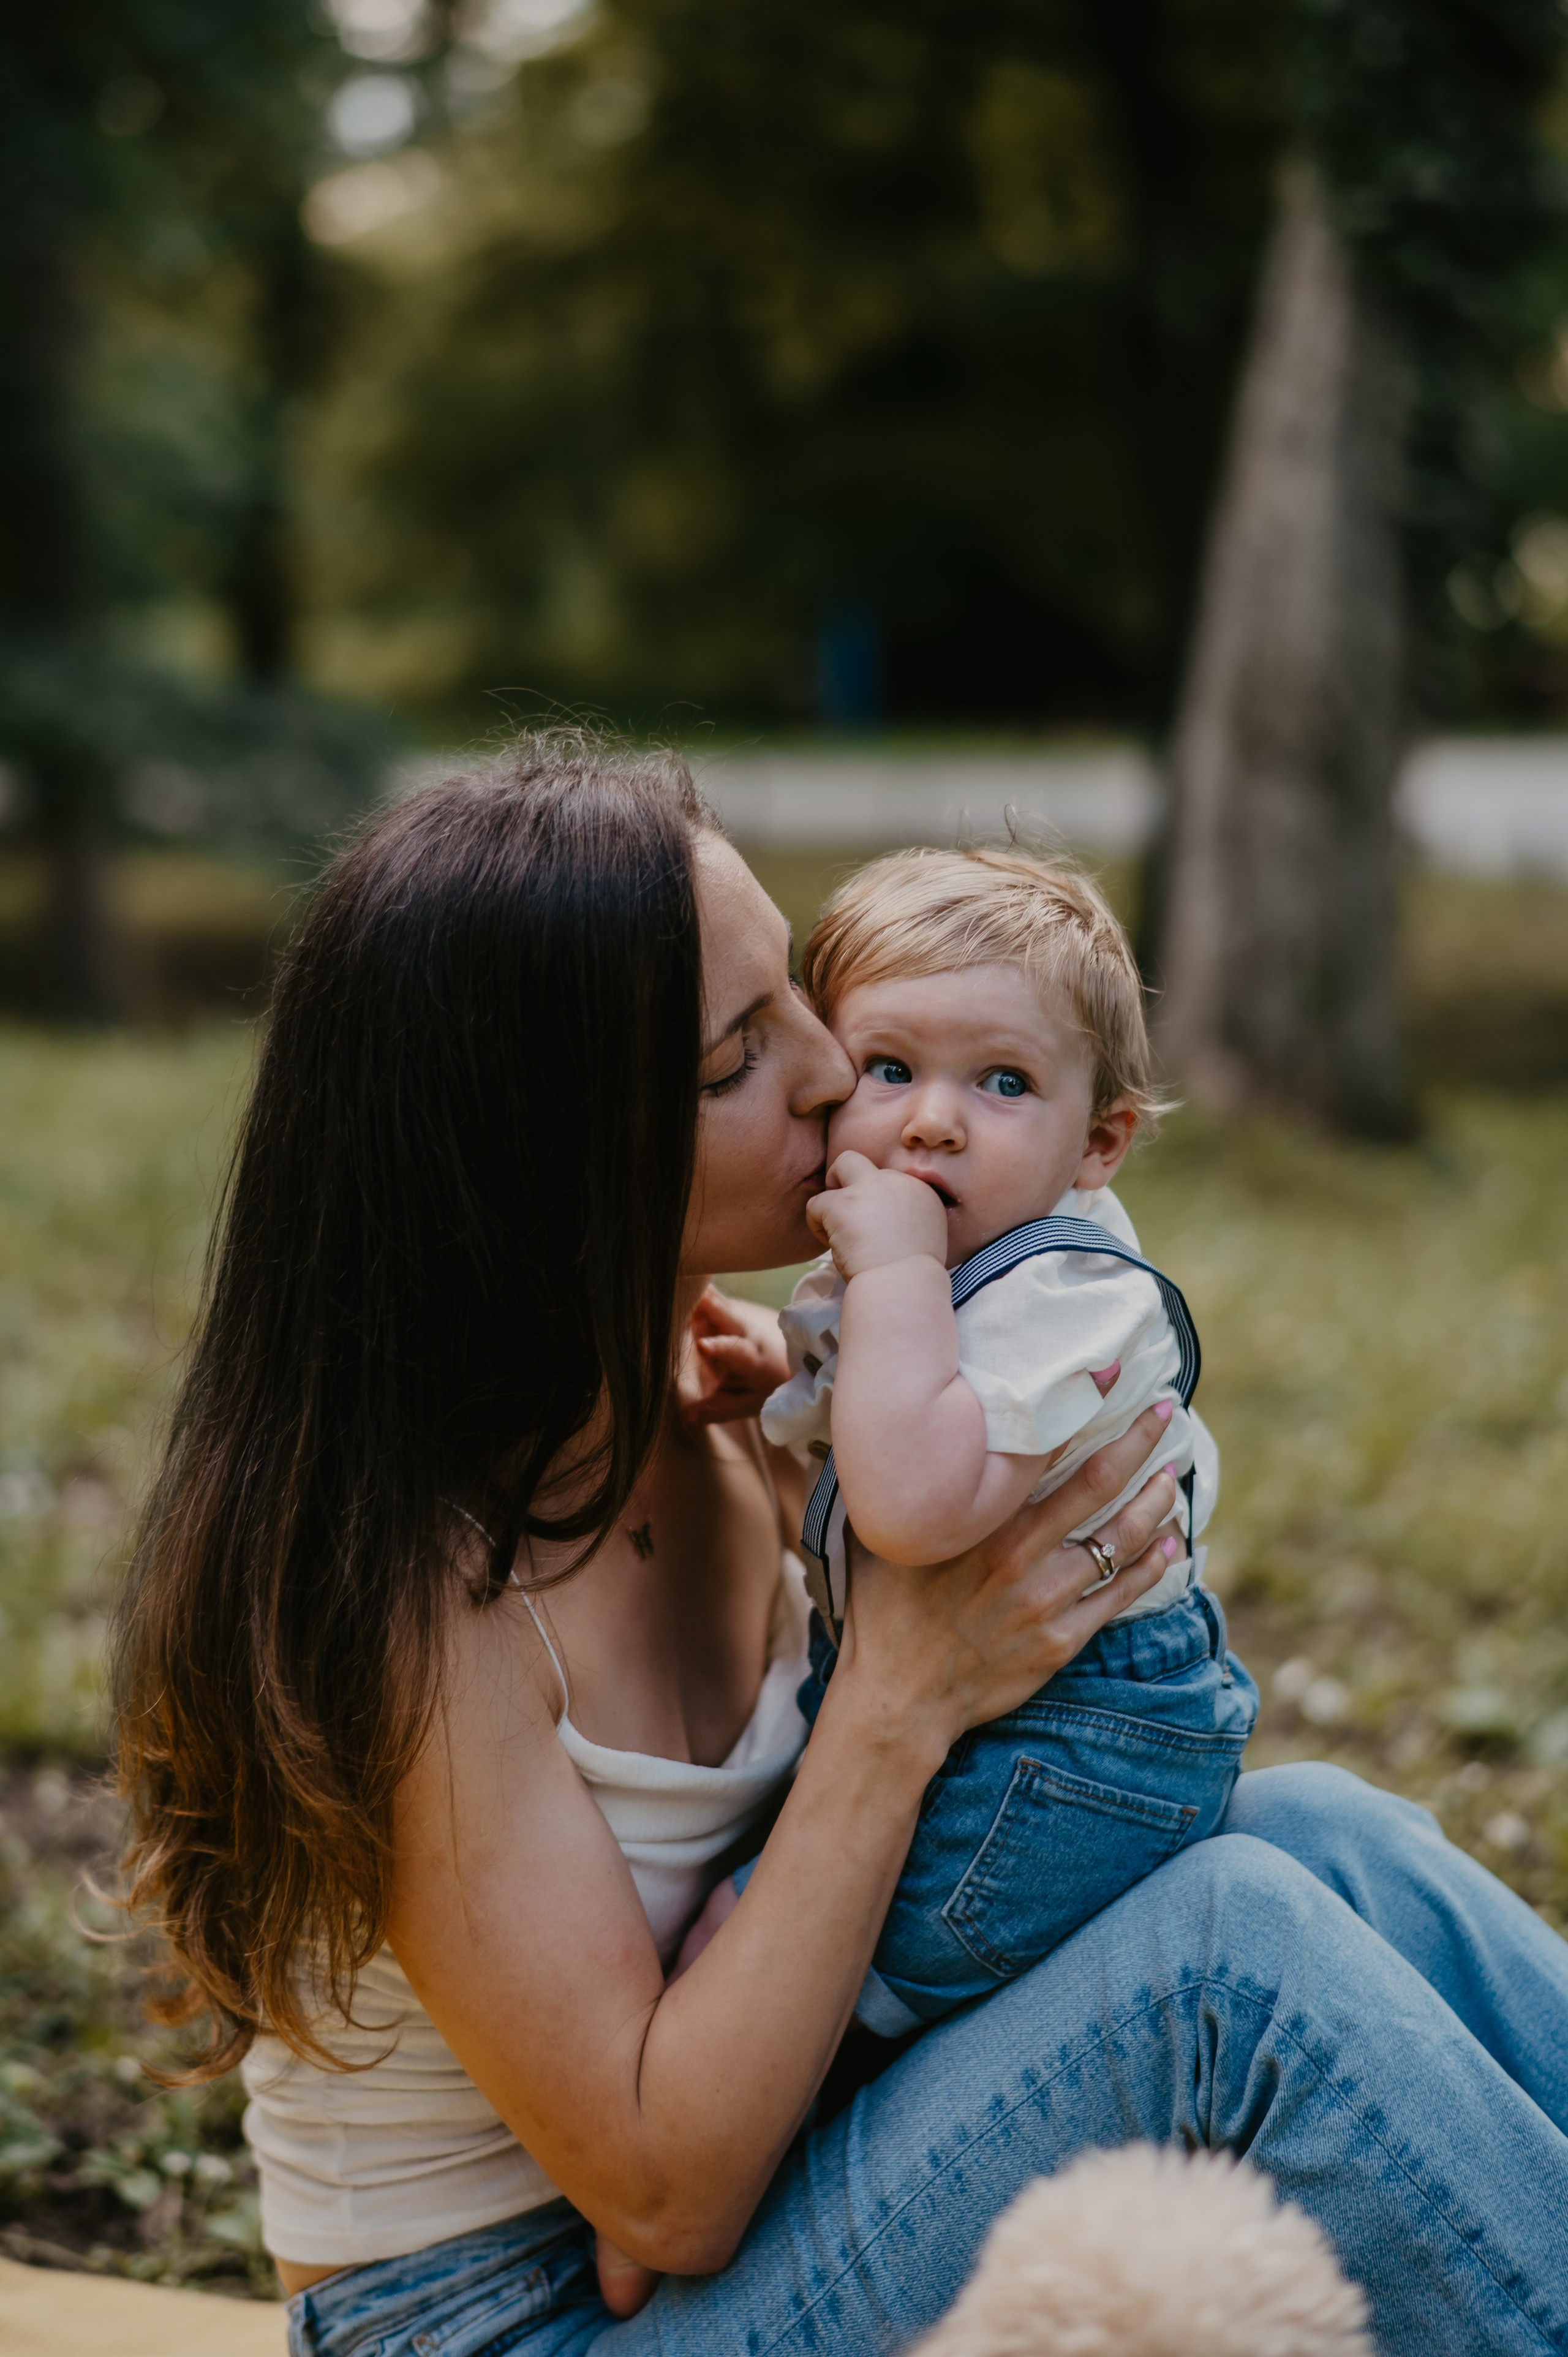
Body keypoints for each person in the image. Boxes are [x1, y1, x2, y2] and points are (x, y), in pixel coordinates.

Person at [111, 739, 1568, 2357]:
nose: (830, 1072)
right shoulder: (412, 1595)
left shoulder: (739, 1381)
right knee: (1229, 1967)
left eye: (795, 992)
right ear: (558, 1160)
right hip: (516, 2317)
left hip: (762, 2187)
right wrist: (900, 1694)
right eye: (739, 1058)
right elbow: (663, 2196)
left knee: (1323, 1836)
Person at [757, 845, 1256, 2038]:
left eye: (1001, 1083)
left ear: (1098, 1143)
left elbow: (911, 1507)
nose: (929, 1123)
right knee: (766, 1921)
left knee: (829, 1988)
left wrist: (890, 1272)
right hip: (986, 1712)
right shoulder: (949, 1257)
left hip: (1077, 1745)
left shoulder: (1063, 1288)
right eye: (886, 1068)